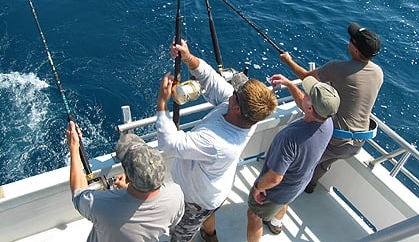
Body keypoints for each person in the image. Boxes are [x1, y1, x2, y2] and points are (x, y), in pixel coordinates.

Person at [263, 22, 383, 234]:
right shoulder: (378, 72)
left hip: (334, 138)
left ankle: (278, 208)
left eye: (351, 40)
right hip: (357, 143)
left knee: (297, 171)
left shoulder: (338, 68)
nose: (349, 41)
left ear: (355, 49)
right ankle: (311, 186)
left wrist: (288, 61)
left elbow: (306, 78)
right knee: (324, 163)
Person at [156, 38, 278, 242]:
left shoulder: (217, 142)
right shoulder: (245, 114)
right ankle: (210, 235)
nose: (232, 90)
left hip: (196, 201)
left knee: (180, 235)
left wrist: (162, 103)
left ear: (237, 108)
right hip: (214, 191)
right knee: (208, 214)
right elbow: (210, 79)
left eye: (236, 93)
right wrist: (187, 57)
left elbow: (170, 144)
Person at [246, 74, 340, 242]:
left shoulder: (290, 137)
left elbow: (275, 178)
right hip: (298, 183)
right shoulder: (327, 122)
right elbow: (306, 105)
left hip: (276, 190)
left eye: (308, 94)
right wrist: (289, 84)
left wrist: (258, 187)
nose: (305, 94)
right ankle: (276, 223)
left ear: (310, 108)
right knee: (284, 202)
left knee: (253, 214)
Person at [68, 121, 185, 242]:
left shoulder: (99, 205)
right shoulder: (176, 194)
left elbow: (78, 193)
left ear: (128, 177)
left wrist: (74, 147)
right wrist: (128, 189)